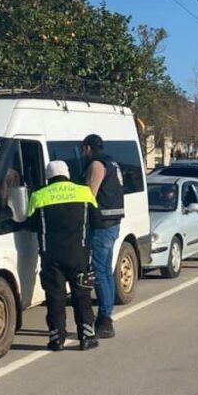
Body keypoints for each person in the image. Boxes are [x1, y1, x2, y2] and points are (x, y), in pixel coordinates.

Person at [27, 161, 99, 351]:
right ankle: (87, 337)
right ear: (67, 174)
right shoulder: (84, 192)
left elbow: (32, 225)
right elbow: (97, 221)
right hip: (78, 254)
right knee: (81, 295)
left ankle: (57, 339)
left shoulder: (38, 196)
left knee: (55, 298)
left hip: (51, 257)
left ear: (48, 176)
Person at [81, 134, 125, 339]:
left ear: (88, 148)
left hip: (101, 225)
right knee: (106, 271)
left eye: (83, 150)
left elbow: (89, 195)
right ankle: (106, 315)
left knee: (100, 273)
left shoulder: (97, 164)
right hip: (113, 222)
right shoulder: (113, 162)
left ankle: (105, 319)